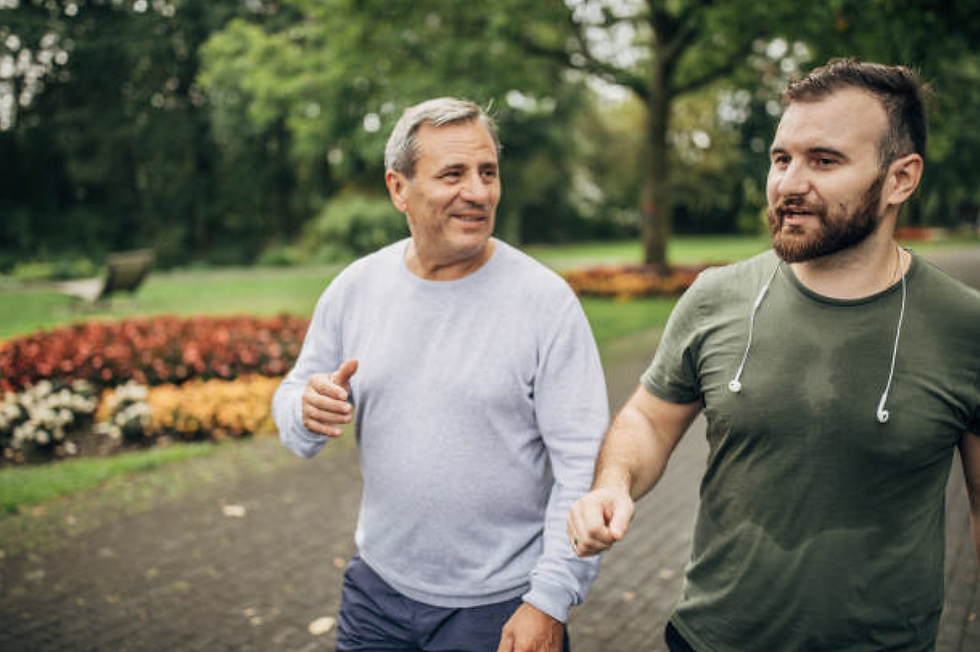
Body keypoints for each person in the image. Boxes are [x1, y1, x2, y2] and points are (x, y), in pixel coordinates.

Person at [567, 58, 980, 652]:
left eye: (824, 160)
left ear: (901, 179)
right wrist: (614, 484)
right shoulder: (715, 297)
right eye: (781, 158)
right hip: (708, 639)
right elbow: (648, 420)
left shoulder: (963, 327)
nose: (788, 183)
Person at [272, 97, 609, 652]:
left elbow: (582, 469)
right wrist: (304, 411)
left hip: (500, 608)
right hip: (376, 595)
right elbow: (291, 401)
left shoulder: (544, 302)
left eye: (488, 172)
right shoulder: (356, 288)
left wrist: (549, 599)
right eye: (453, 174)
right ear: (398, 188)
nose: (477, 192)